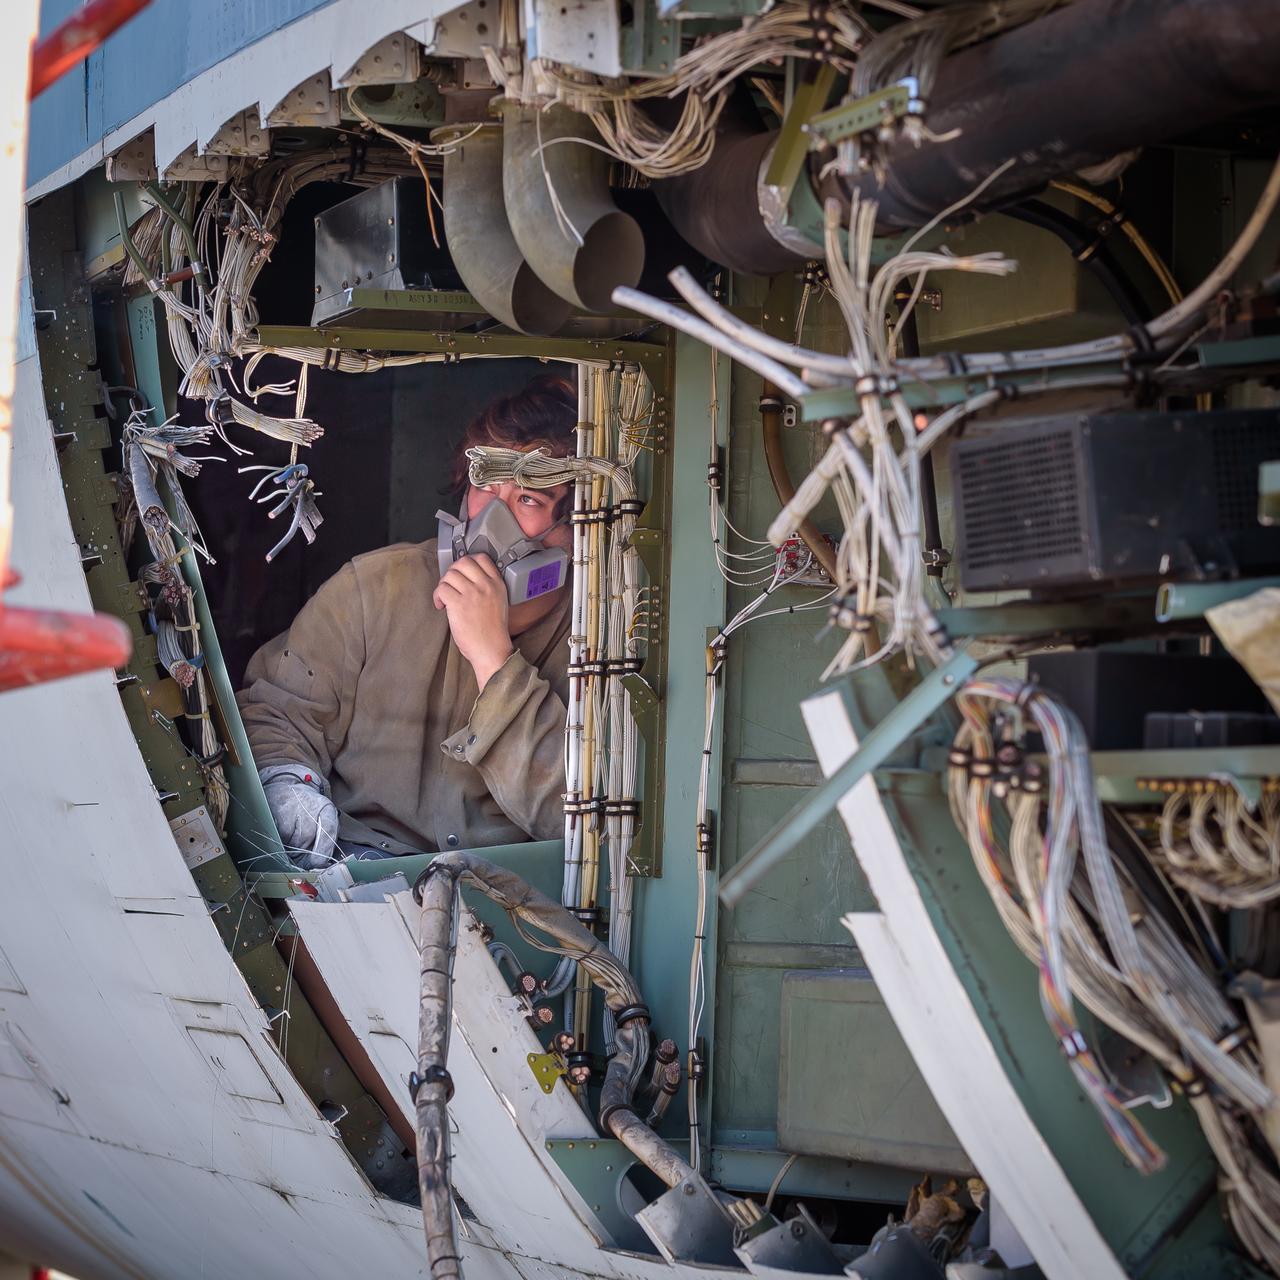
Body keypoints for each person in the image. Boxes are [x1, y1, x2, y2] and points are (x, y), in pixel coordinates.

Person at [238, 374, 577, 867]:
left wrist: (493, 659)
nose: (492, 521)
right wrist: (291, 784)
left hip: (511, 898)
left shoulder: (600, 639)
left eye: (528, 500)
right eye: (484, 486)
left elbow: (570, 816)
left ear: (574, 530)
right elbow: (279, 710)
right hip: (357, 874)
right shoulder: (374, 588)